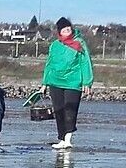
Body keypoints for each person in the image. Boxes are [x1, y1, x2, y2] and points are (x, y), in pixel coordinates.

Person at [38, 17, 93, 149]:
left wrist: (87, 82)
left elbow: (86, 62)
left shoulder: (79, 43)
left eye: (68, 28)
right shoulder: (55, 45)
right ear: (59, 32)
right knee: (58, 110)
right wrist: (44, 83)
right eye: (64, 29)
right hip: (55, 82)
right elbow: (49, 64)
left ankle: (68, 139)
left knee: (70, 110)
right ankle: (61, 139)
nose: (67, 30)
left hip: (73, 82)